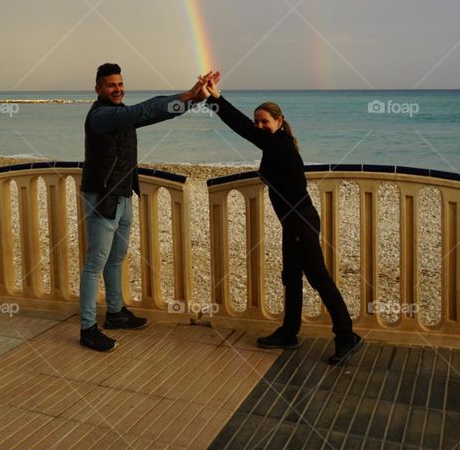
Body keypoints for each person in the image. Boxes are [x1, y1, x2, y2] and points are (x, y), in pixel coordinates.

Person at [200, 71, 362, 365]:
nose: (260, 126)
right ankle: (289, 332)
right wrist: (215, 99)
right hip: (294, 222)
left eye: (266, 121)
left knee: (319, 279)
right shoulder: (277, 144)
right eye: (258, 121)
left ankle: (347, 336)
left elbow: (241, 127)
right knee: (291, 277)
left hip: (301, 222)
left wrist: (216, 100)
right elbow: (244, 127)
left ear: (279, 121)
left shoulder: (280, 145)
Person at [79, 63, 211, 352]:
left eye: (121, 84)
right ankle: (88, 328)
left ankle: (115, 313)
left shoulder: (119, 115)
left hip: (123, 193)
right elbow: (143, 110)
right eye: (112, 85)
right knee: (95, 263)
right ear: (98, 88)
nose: (118, 89)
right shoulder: (101, 116)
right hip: (103, 196)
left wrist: (191, 102)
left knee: (116, 258)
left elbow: (157, 114)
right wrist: (188, 94)